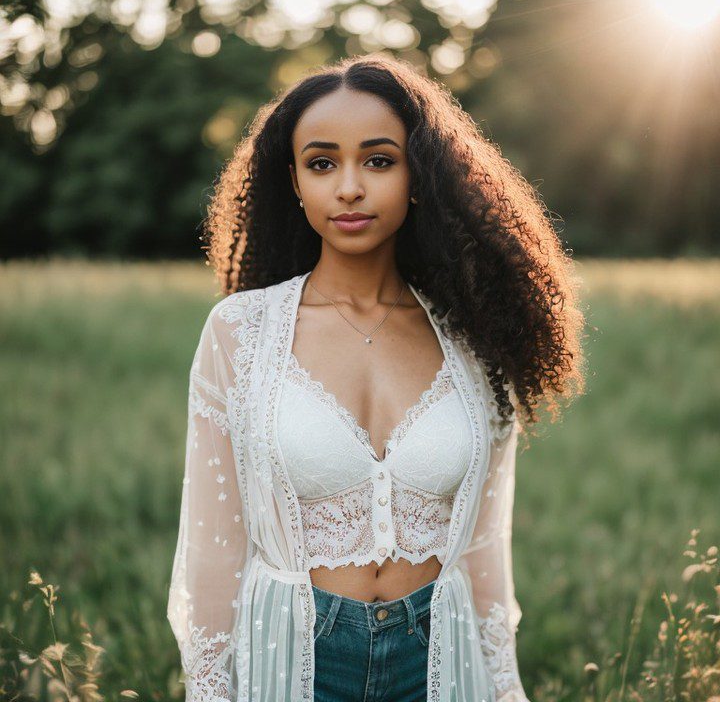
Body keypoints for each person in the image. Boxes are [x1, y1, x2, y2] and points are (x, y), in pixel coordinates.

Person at [167, 53, 585, 702]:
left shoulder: (473, 338)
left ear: (420, 175)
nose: (350, 188)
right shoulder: (241, 333)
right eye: (322, 163)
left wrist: (505, 689)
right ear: (295, 183)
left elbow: (481, 547)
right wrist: (211, 690)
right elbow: (213, 547)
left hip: (438, 658)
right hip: (295, 654)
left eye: (379, 160)